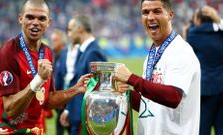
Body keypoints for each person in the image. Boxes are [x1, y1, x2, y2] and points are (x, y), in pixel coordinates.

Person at [0, 0, 92, 134]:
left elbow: (47, 100)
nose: (35, 22)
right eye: (30, 17)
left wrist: (75, 90)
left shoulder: (47, 52)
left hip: (36, 130)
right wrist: (38, 79)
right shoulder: (8, 53)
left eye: (41, 18)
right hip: (10, 130)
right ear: (21, 19)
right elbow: (11, 110)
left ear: (48, 22)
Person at [114, 0, 201, 135]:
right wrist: (126, 95)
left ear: (170, 15)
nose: (150, 17)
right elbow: (149, 106)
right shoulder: (152, 54)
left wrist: (131, 79)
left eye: (157, 11)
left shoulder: (180, 51)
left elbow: (173, 97)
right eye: (145, 12)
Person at [59, 15, 107, 135]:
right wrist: (68, 110)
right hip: (77, 119)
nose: (68, 35)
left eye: (70, 30)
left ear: (80, 28)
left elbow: (97, 91)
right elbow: (79, 85)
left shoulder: (93, 52)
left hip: (85, 123)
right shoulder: (84, 51)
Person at [184, 5, 223, 135]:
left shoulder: (194, 33)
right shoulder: (220, 33)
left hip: (205, 90)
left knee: (202, 129)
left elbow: (187, 56)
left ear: (199, 20)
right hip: (221, 87)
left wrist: (186, 32)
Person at [50, 29, 69, 135]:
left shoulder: (64, 56)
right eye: (52, 40)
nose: (53, 43)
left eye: (55, 40)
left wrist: (62, 99)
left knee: (66, 126)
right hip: (59, 99)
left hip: (63, 101)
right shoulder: (56, 55)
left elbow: (66, 78)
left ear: (62, 42)